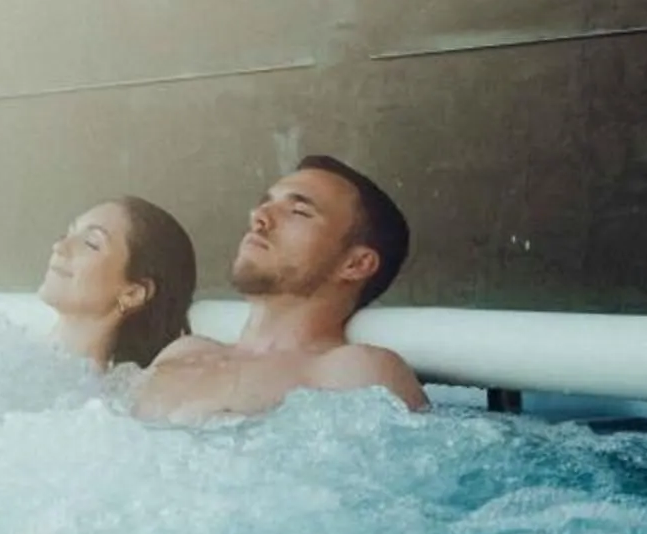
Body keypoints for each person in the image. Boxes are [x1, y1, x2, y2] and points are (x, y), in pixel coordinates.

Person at [130, 156, 428, 422]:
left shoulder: (355, 373)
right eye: (266, 203)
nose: (259, 218)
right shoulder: (183, 353)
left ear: (356, 264)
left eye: (299, 211)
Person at [38, 196, 196, 370]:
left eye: (91, 243)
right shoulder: (21, 355)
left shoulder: (104, 389)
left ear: (132, 294)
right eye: (69, 233)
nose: (59, 246)